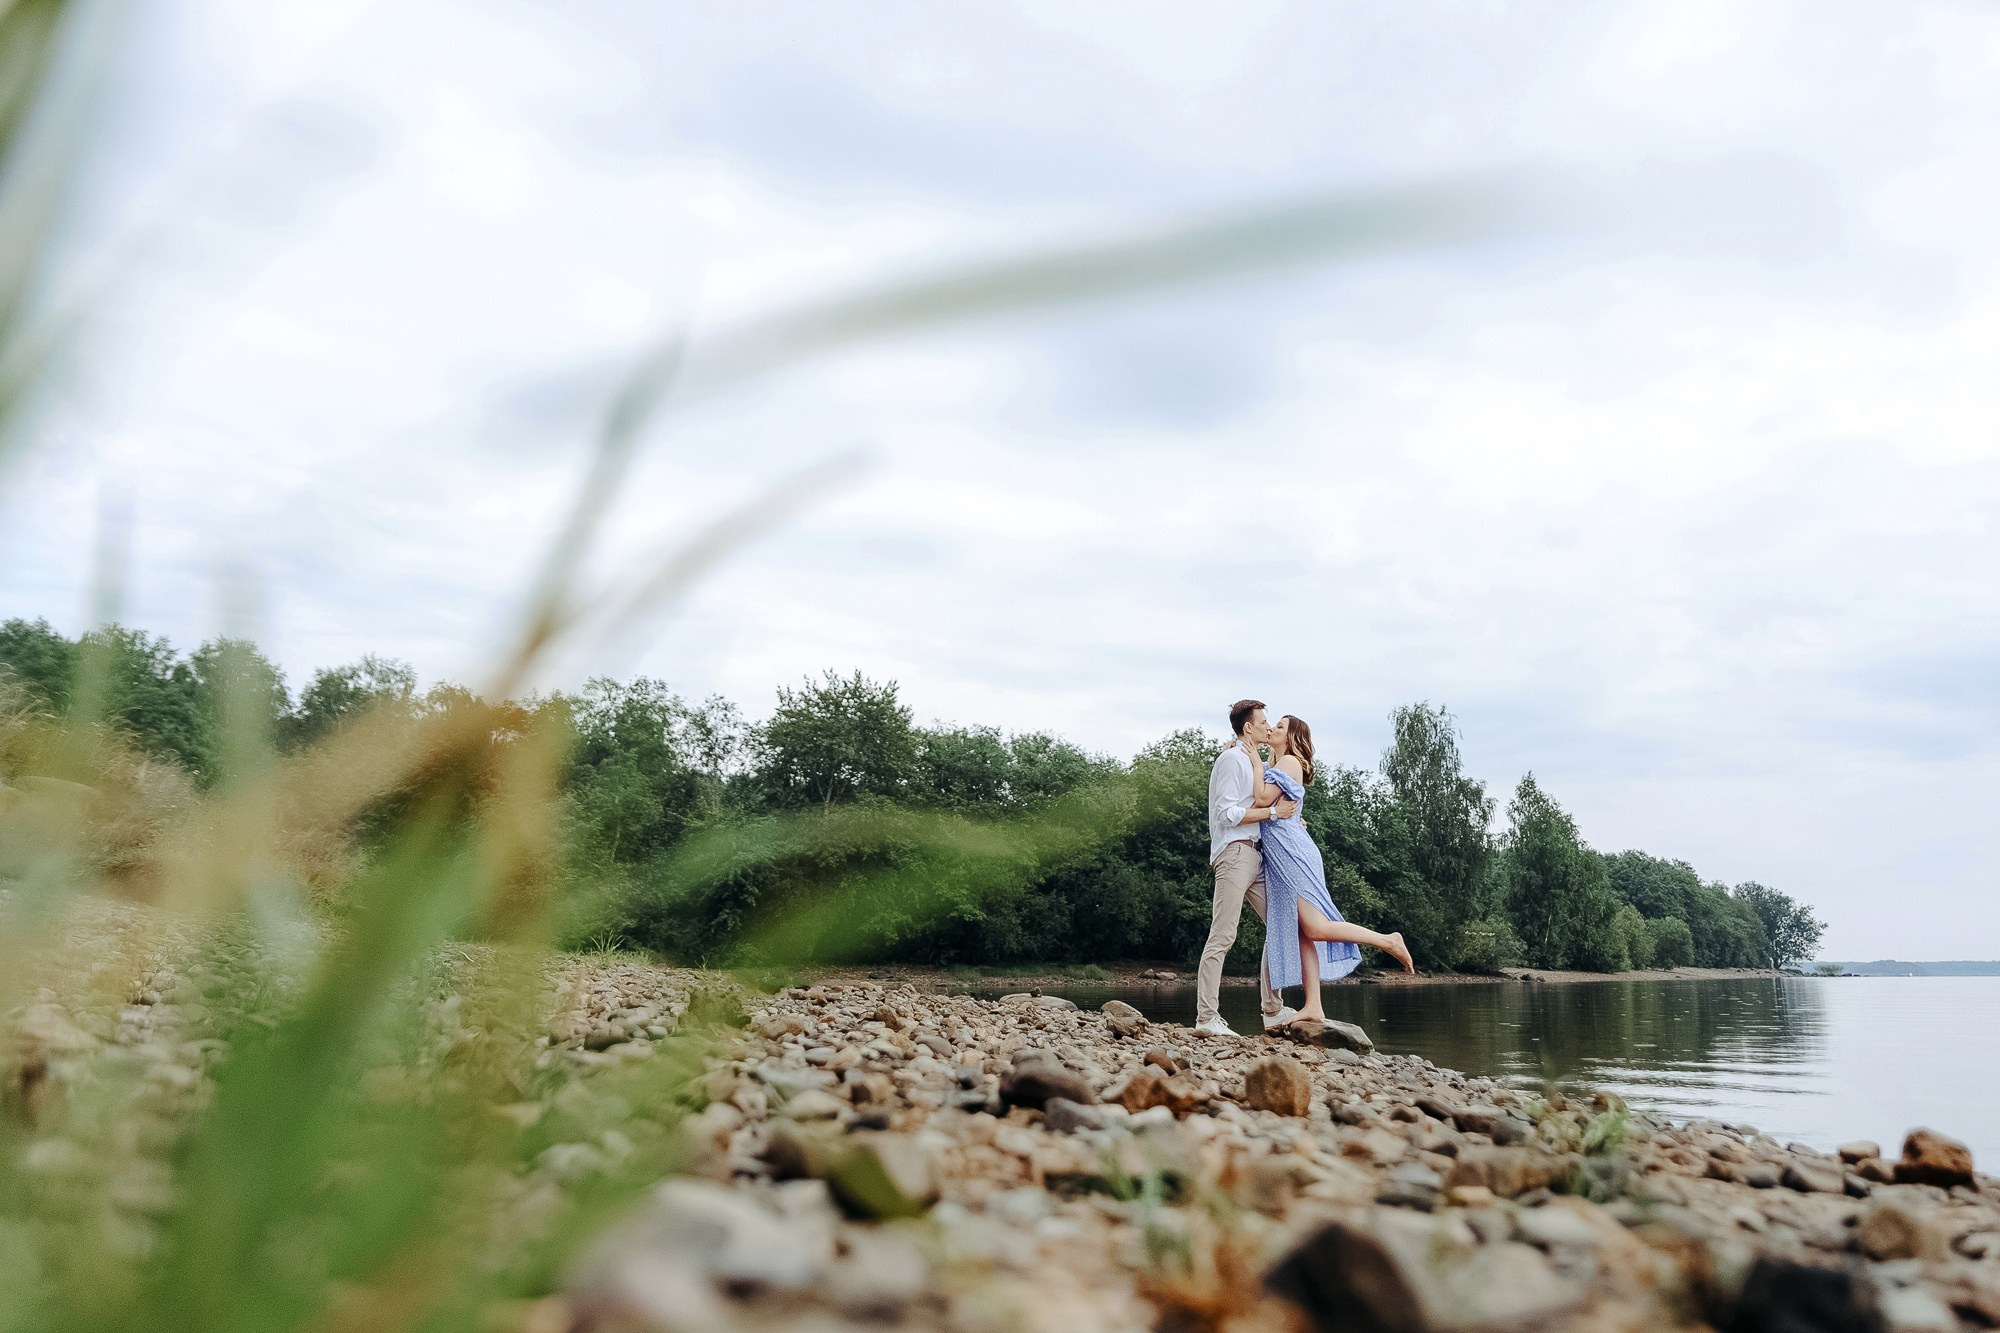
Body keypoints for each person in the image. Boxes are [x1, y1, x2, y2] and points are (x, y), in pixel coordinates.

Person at [1256, 713, 1414, 1023]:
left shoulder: (1289, 762)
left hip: (1294, 854)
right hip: (1284, 854)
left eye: (1280, 726)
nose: (1272, 728)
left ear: (1290, 737)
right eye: (1272, 724)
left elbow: (1261, 800)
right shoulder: (1273, 766)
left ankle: (1388, 940)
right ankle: (1313, 1005)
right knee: (1304, 931)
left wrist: (1248, 755)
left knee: (1314, 927)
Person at [1195, 699, 1300, 1037]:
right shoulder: (1230, 760)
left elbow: (1263, 797)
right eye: (1264, 722)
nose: (1269, 727)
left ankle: (1272, 1008)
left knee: (1283, 924)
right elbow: (1228, 814)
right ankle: (1206, 1018)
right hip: (1235, 854)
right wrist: (1272, 814)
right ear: (1248, 728)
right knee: (1223, 934)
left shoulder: (1253, 761)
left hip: (1256, 856)